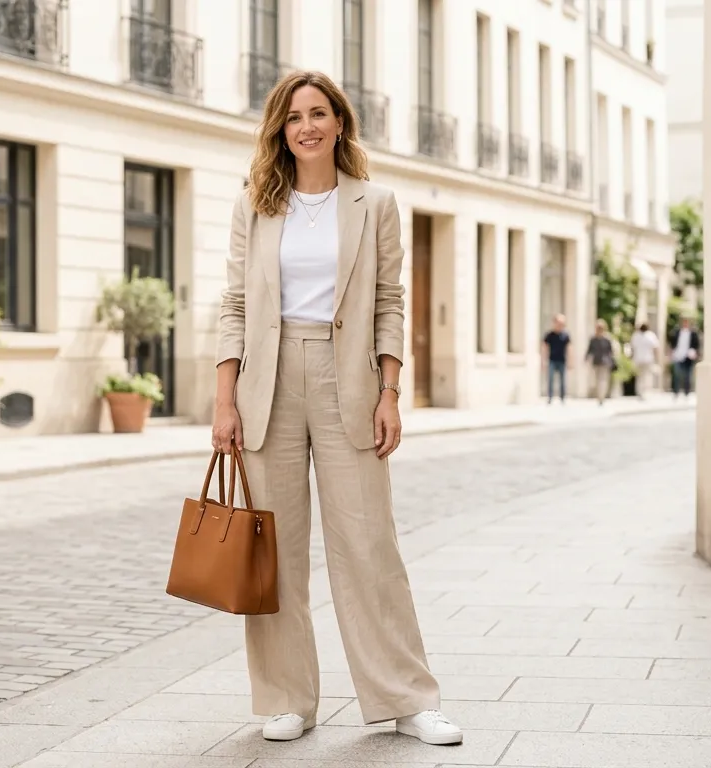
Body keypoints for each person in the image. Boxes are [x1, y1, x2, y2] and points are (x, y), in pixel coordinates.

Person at [211, 70, 462, 747]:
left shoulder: (374, 203)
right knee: (276, 551)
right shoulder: (255, 205)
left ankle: (407, 698)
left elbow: (389, 303)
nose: (307, 126)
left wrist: (390, 392)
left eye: (319, 113)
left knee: (368, 543)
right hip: (267, 381)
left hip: (347, 377)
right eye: (294, 117)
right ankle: (287, 697)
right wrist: (224, 398)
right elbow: (234, 305)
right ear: (279, 130)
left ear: (340, 123)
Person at [541, 314, 571, 404]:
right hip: (552, 360)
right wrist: (543, 361)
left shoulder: (565, 335)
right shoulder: (550, 335)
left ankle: (562, 397)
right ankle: (550, 397)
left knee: (563, 380)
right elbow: (544, 347)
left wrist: (570, 361)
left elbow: (569, 348)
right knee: (550, 379)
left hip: (562, 360)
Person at [670, 316, 701, 397]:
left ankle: (686, 392)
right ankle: (676, 392)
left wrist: (694, 353)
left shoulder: (693, 333)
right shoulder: (677, 332)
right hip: (678, 355)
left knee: (687, 375)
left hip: (688, 356)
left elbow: (697, 344)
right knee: (677, 374)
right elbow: (673, 343)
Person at [586, 319, 615, 405]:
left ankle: (601, 396)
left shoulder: (607, 338)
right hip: (596, 361)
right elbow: (589, 350)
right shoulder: (593, 339)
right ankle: (599, 396)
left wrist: (612, 360)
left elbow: (611, 351)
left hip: (605, 362)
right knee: (597, 379)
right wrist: (586, 358)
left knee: (603, 379)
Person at [629, 322, 660, 399]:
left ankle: (640, 392)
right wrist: (657, 359)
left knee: (640, 376)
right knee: (646, 376)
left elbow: (632, 348)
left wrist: (631, 357)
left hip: (638, 358)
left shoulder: (636, 335)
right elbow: (655, 348)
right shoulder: (651, 335)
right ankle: (644, 392)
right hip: (647, 359)